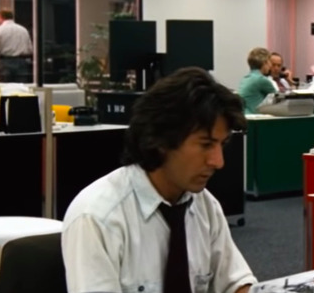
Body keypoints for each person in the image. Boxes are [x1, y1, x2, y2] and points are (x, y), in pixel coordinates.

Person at [62, 67, 256, 293]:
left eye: (221, 145)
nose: (218, 161)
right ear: (161, 141)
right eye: (205, 145)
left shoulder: (204, 205)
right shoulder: (97, 216)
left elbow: (235, 282)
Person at [0, 9, 33, 83]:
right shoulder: (23, 30)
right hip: (21, 62)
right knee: (21, 88)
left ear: (0, 17)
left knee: (5, 88)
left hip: (5, 62)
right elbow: (30, 49)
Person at [237, 47, 276, 114]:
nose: (270, 66)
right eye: (270, 62)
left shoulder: (245, 79)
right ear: (265, 62)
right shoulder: (261, 80)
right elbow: (278, 99)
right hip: (255, 118)